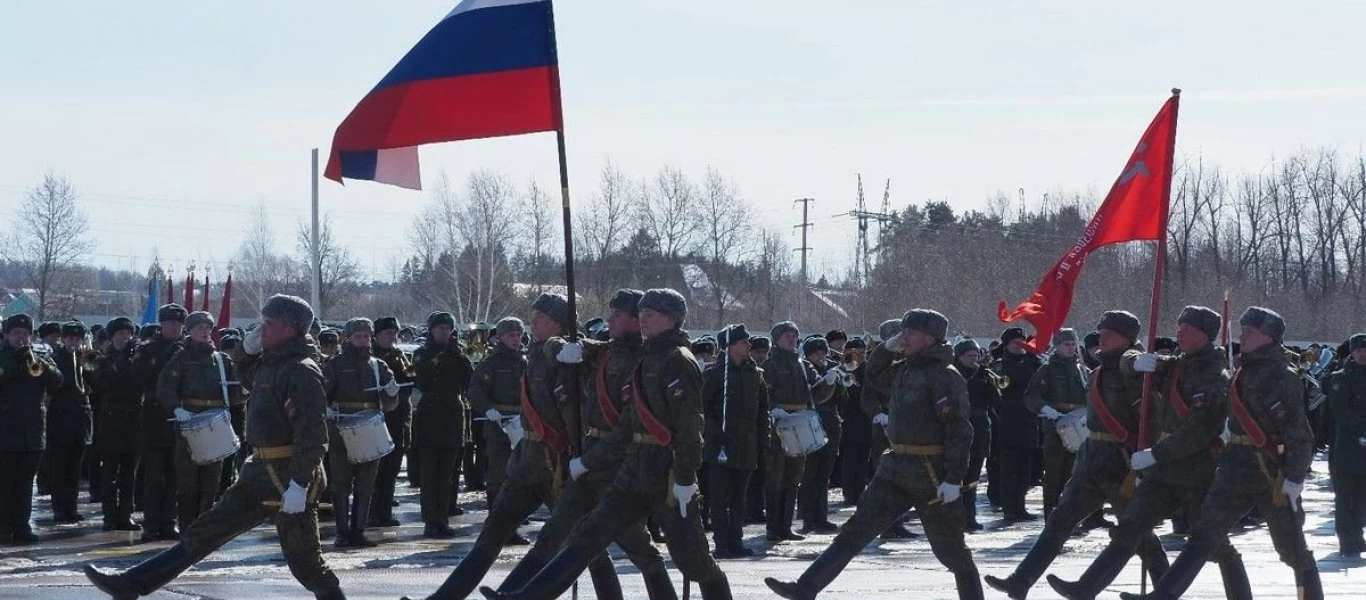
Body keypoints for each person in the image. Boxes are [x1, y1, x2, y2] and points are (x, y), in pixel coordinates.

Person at [85, 294, 346, 600]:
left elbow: (313, 435)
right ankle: (131, 584)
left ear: (290, 329)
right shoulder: (273, 363)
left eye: (269, 323)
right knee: (205, 531)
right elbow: (244, 377)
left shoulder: (302, 370)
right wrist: (247, 352)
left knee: (307, 565)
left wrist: (299, 484)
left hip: (287, 476)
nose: (261, 329)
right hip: (260, 472)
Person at [477, 288, 733, 600]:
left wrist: (684, 479)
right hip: (633, 468)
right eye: (642, 313)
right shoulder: (645, 355)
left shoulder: (678, 360)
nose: (644, 320)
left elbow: (690, 427)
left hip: (665, 471)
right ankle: (526, 597)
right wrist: (563, 349)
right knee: (587, 535)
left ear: (671, 319)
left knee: (694, 562)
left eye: (650, 314)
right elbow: (630, 422)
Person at [764, 309, 983, 600]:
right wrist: (886, 348)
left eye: (911, 333)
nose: (904, 338)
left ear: (931, 338)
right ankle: (805, 589)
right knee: (855, 530)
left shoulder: (944, 376)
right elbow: (873, 375)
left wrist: (954, 479)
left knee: (952, 552)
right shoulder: (904, 368)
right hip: (895, 468)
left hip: (930, 473)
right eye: (903, 332)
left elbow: (959, 431)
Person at [1046, 306, 1252, 600]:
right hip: (1163, 472)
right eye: (1179, 326)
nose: (1179, 332)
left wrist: (1155, 454)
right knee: (1131, 526)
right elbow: (1130, 360)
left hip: (1196, 471)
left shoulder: (1214, 377)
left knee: (1215, 545)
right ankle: (1086, 589)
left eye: (1187, 328)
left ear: (1204, 335)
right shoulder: (1177, 364)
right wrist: (1136, 362)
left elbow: (1197, 433)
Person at [1119, 307, 1321, 600]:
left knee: (1292, 549)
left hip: (1268, 470)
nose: (1242, 336)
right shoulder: (1245, 368)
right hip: (1234, 468)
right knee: (1204, 535)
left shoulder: (1280, 376)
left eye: (1249, 331)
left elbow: (1298, 433)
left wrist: (1295, 477)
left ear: (1268, 337)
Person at [984, 311, 1168, 600]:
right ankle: (1021, 581)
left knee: (1138, 533)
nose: (1102, 338)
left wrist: (1147, 462)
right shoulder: (1096, 372)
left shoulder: (1135, 373)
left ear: (1126, 339)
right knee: (1060, 520)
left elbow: (1151, 419)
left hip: (1121, 464)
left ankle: (1165, 591)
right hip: (1090, 460)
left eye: (1110, 334)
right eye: (1101, 332)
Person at [406, 293, 578, 600]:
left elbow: (575, 408)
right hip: (526, 460)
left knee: (575, 541)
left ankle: (516, 595)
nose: (532, 323)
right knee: (494, 529)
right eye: (532, 317)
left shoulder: (565, 356)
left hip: (554, 463)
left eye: (541, 318)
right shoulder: (533, 354)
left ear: (559, 323)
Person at [158, 311, 240, 532]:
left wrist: (244, 391)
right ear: (190, 331)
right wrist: (176, 407)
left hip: (216, 423)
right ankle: (187, 528)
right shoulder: (181, 358)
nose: (205, 332)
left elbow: (236, 390)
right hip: (189, 423)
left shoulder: (221, 360)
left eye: (208, 327)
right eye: (199, 328)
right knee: (188, 481)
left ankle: (204, 530)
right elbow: (165, 387)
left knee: (211, 481)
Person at [322, 318, 399, 549]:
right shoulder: (335, 364)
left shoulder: (378, 366)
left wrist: (391, 394)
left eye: (366, 336)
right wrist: (326, 409)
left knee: (366, 484)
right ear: (348, 338)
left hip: (371, 426)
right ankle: (342, 533)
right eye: (358, 336)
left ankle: (358, 532)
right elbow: (321, 393)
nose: (363, 340)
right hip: (341, 427)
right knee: (340, 483)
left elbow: (389, 405)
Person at [762, 321, 837, 542]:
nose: (792, 339)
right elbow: (763, 394)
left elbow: (816, 395)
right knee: (775, 477)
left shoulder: (803, 364)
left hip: (800, 423)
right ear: (777, 339)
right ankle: (773, 527)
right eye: (787, 336)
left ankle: (786, 526)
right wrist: (773, 409)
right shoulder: (770, 365)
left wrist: (828, 383)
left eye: (794, 336)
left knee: (794, 477)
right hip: (778, 425)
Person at [704, 324, 769, 558]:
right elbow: (702, 410)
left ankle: (736, 541)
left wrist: (763, 441)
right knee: (719, 497)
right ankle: (721, 543)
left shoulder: (755, 375)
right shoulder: (713, 375)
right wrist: (714, 433)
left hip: (747, 445)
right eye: (743, 342)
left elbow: (763, 412)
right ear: (729, 346)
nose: (749, 345)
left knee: (740, 498)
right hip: (720, 446)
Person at [466, 316, 529, 543]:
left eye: (519, 335)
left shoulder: (524, 362)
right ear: (500, 337)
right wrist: (488, 409)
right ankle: (497, 527)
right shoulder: (491, 363)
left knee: (519, 477)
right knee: (498, 477)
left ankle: (512, 525)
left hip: (522, 423)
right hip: (498, 425)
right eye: (511, 335)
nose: (516, 339)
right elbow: (475, 390)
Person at [411, 311, 474, 539]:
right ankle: (431, 521)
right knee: (429, 475)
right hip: (429, 415)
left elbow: (470, 381)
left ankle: (443, 519)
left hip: (452, 415)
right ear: (431, 330)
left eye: (447, 329)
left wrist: (460, 357)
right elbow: (423, 379)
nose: (444, 332)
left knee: (448, 475)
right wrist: (443, 358)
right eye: (440, 328)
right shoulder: (422, 354)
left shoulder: (458, 354)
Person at [0, 314, 62, 544]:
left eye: (25, 334)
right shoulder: (3, 357)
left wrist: (41, 364)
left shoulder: (40, 356)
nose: (21, 338)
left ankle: (22, 526)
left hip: (33, 432)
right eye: (17, 333)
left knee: (25, 484)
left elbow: (57, 381)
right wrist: (15, 363)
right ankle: (3, 526)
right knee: (5, 483)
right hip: (5, 432)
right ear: (7, 335)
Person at [134, 303, 188, 542]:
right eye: (170, 323)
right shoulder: (148, 349)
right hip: (155, 418)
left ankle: (168, 521)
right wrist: (162, 359)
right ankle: (151, 523)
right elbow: (138, 376)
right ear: (162, 324)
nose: (174, 327)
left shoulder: (188, 348)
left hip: (182, 418)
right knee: (154, 475)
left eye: (178, 323)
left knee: (175, 475)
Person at [1024, 328, 1087, 518]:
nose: (1071, 348)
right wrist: (1045, 409)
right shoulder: (1047, 369)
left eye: (1073, 344)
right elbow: (1031, 396)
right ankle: (1051, 516)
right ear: (1057, 346)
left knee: (1073, 475)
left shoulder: (1081, 369)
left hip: (1079, 426)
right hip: (1056, 427)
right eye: (1066, 344)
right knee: (1053, 473)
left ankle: (1067, 517)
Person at [92, 317, 144, 531]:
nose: (126, 337)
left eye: (128, 333)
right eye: (121, 334)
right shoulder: (103, 359)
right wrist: (123, 358)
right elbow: (104, 382)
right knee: (109, 473)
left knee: (129, 474)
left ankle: (125, 514)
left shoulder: (137, 359)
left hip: (134, 420)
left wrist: (135, 357)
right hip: (111, 421)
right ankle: (109, 516)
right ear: (112, 337)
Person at [368, 316, 415, 528]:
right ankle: (372, 512)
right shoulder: (371, 358)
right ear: (377, 336)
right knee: (376, 471)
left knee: (392, 470)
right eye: (388, 333)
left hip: (399, 418)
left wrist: (405, 366)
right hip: (379, 420)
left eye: (395, 334)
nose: (393, 337)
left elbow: (412, 378)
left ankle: (384, 512)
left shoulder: (400, 356)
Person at [993, 326, 1042, 522]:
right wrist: (1030, 360)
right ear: (1007, 345)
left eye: (1023, 342)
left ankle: (1020, 506)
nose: (1020, 346)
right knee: (1009, 469)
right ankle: (1009, 508)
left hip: (1028, 420)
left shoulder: (1032, 362)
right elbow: (1011, 381)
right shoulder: (1000, 365)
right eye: (1016, 342)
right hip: (1008, 421)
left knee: (1025, 470)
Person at [48, 320, 95, 523]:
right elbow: (57, 383)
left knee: (75, 468)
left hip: (80, 419)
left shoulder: (86, 358)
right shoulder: (55, 358)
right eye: (70, 339)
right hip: (60, 418)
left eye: (77, 339)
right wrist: (73, 362)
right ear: (64, 339)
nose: (74, 342)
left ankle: (72, 506)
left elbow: (96, 383)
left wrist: (89, 364)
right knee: (59, 467)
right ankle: (59, 508)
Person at [799, 335, 846, 534]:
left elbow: (843, 400)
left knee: (824, 474)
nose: (820, 357)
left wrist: (839, 382)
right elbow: (808, 394)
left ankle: (822, 517)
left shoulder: (832, 368)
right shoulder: (804, 369)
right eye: (816, 354)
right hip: (811, 423)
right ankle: (808, 518)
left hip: (831, 424)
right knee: (809, 473)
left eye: (823, 353)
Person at [954, 338, 1000, 532]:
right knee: (958, 475)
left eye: (976, 355)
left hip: (980, 428)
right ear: (960, 357)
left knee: (973, 476)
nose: (974, 359)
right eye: (970, 356)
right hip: (959, 428)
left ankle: (970, 516)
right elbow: (961, 393)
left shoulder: (983, 374)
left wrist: (991, 384)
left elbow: (995, 401)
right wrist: (976, 379)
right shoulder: (952, 373)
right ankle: (956, 517)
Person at [1327, 333, 1366, 556]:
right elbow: (1338, 409)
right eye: (1358, 351)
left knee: (1362, 497)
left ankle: (1357, 534)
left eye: (1365, 351)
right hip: (1347, 446)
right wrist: (1361, 427)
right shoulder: (1341, 378)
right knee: (1344, 496)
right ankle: (1346, 538)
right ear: (1352, 353)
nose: (1362, 355)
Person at [838, 336, 873, 507]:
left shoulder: (868, 369)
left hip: (866, 418)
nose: (861, 356)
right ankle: (849, 493)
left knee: (864, 458)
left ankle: (859, 492)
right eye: (857, 352)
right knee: (850, 458)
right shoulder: (843, 368)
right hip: (849, 418)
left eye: (863, 352)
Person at [746, 335, 773, 524]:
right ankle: (746, 509)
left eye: (764, 352)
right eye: (757, 352)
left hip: (761, 428)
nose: (762, 356)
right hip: (744, 429)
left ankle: (757, 508)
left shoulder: (766, 370)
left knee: (762, 472)